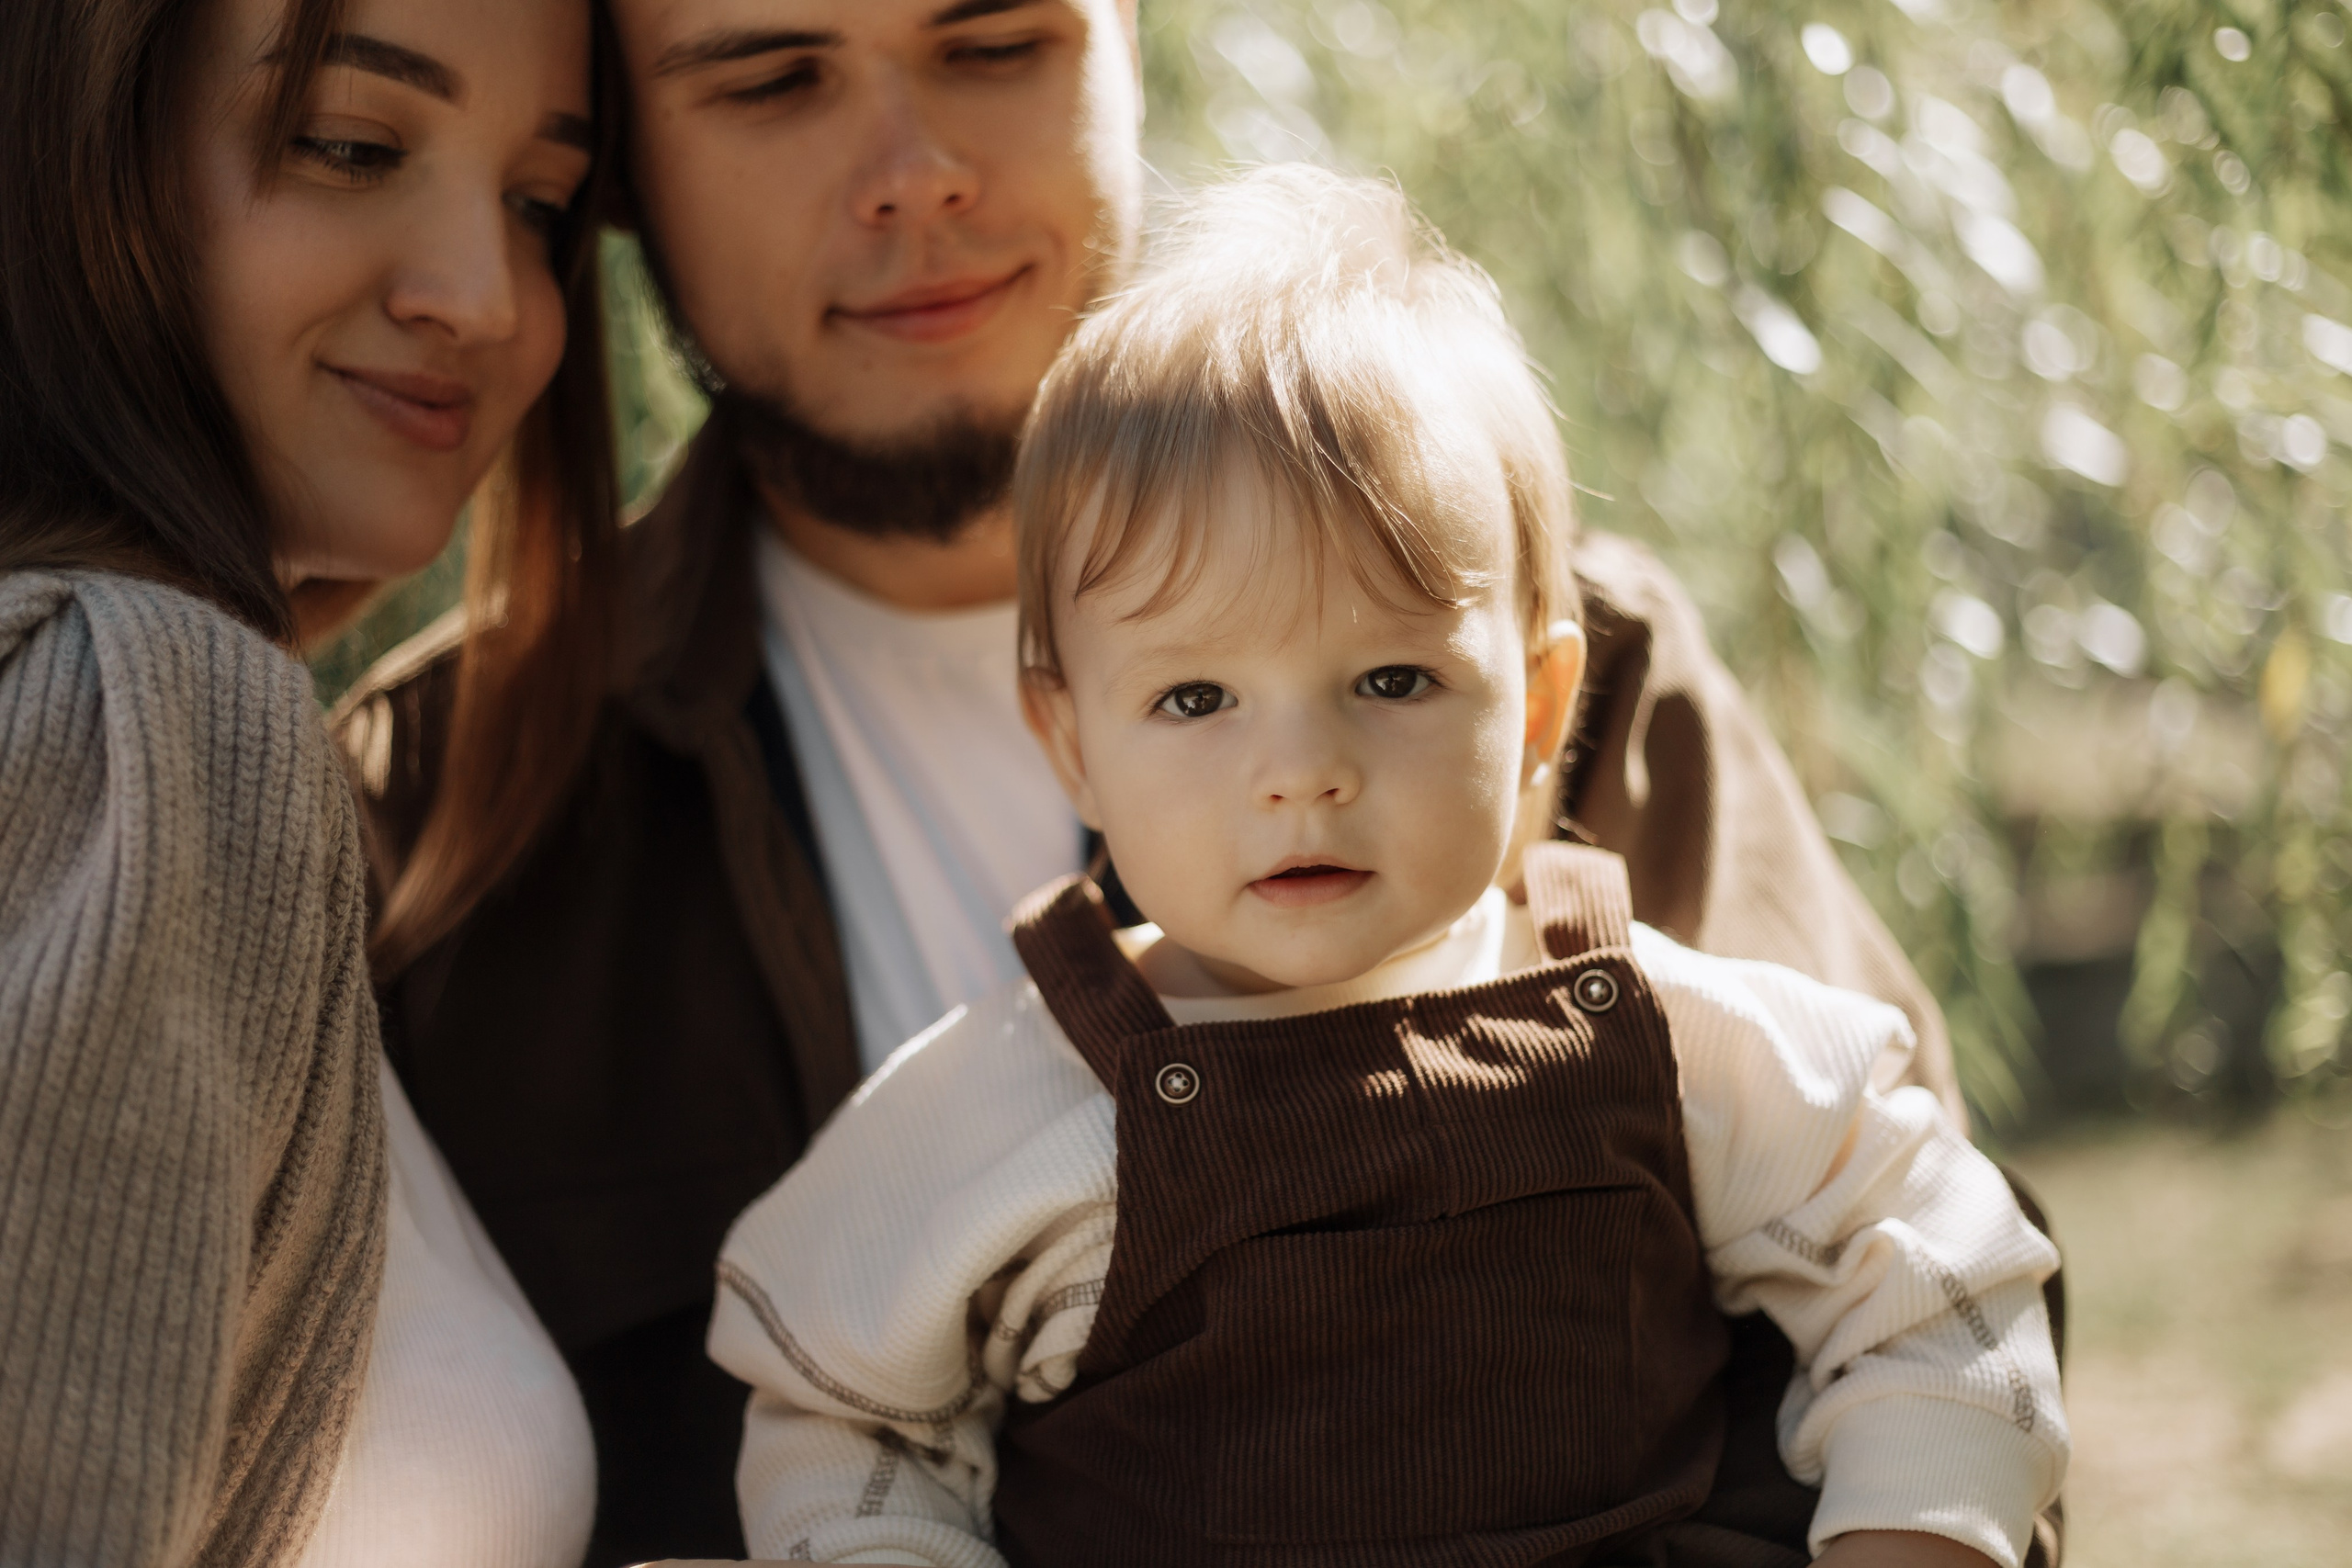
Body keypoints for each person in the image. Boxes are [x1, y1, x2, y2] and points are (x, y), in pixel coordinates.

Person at [334, 0, 2009, 1560]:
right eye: (774, 81)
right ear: (622, 164)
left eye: (994, 42)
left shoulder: (1605, 676)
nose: (914, 174)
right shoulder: (422, 835)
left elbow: (1934, 1307)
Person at [707, 166, 2066, 1568]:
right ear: (1070, 743)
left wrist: (1916, 1534)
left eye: (1392, 677)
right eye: (1196, 700)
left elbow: (1939, 1270)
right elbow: (840, 1418)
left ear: (1541, 706)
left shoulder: (1665, 1039)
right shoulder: (1005, 1107)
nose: (1303, 771)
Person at [0, 0, 620, 1561]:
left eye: (539, 205)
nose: (489, 298)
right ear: (74, 161)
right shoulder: (147, 714)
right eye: (350, 146)